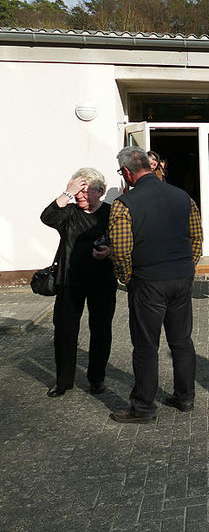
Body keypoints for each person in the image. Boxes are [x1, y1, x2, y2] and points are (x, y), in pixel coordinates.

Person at [108, 147, 203, 423]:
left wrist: (126, 276)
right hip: (181, 277)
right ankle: (185, 396)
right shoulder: (182, 196)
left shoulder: (125, 204)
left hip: (148, 280)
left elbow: (121, 248)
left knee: (146, 345)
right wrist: (187, 265)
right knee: (182, 340)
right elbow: (196, 237)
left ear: (127, 172)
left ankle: (143, 407)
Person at [40, 168, 117, 398]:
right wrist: (66, 193)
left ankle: (97, 378)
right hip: (69, 280)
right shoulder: (70, 212)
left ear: (100, 191)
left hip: (102, 280)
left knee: (101, 331)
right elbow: (47, 217)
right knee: (65, 330)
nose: (80, 196)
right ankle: (63, 381)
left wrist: (111, 252)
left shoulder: (111, 213)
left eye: (84, 191)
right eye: (77, 192)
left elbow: (125, 241)